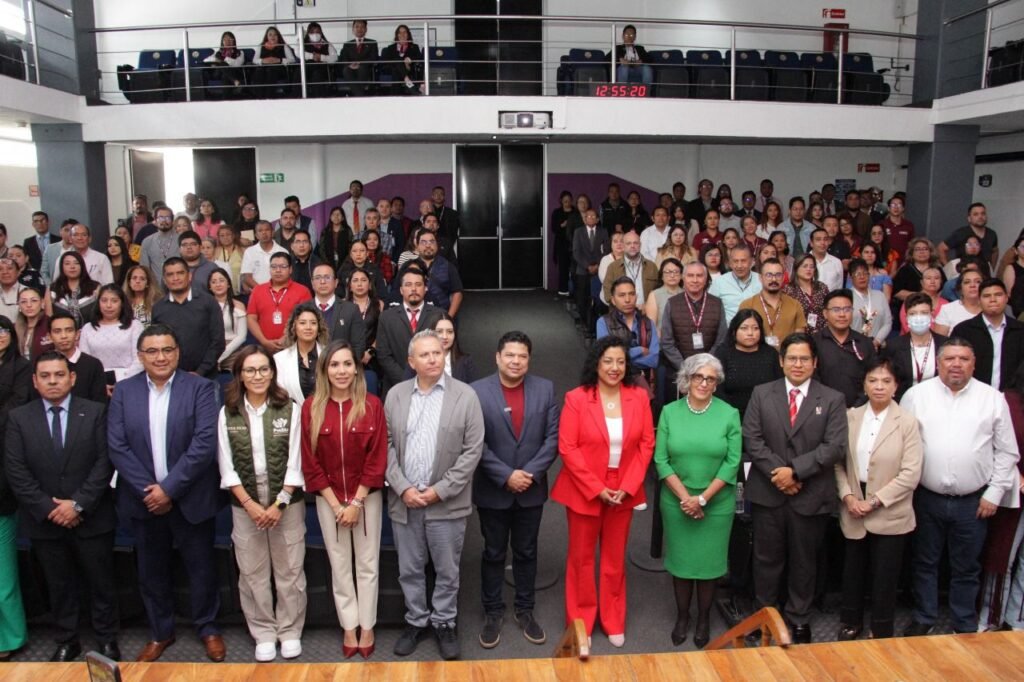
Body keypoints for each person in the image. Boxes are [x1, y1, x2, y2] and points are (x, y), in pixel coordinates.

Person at [107, 324, 226, 662]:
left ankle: (207, 627)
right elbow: (117, 446)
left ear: (177, 352)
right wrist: (152, 491)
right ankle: (161, 632)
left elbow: (204, 444)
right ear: (140, 356)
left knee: (201, 567)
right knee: (151, 570)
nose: (161, 357)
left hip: (190, 497)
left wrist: (169, 489)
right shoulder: (125, 391)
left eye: (167, 350)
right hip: (143, 499)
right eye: (153, 351)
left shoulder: (201, 388)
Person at [900, 338, 1020, 635]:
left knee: (967, 567)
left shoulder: (992, 398)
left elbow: (1007, 452)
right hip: (926, 497)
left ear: (974, 363)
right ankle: (924, 617)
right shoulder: (916, 396)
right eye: (950, 358)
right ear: (938, 363)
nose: (956, 364)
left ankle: (963, 623)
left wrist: (994, 493)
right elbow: (899, 442)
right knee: (924, 562)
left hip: (974, 502)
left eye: (963, 358)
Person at [6, 350, 120, 661]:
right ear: (35, 381)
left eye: (59, 375)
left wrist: (78, 504)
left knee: (101, 583)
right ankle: (67, 639)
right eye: (45, 376)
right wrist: (49, 508)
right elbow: (16, 469)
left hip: (92, 516)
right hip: (45, 520)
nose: (53, 381)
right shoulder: (19, 418)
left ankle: (107, 639)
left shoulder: (96, 411)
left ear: (72, 378)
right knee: (59, 584)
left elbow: (105, 462)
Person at [743, 332, 848, 643]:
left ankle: (799, 618)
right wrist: (780, 475)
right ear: (781, 361)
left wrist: (796, 472)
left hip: (810, 494)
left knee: (804, 562)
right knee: (766, 560)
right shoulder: (762, 393)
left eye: (804, 359)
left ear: (815, 363)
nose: (798, 364)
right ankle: (765, 615)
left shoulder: (832, 399)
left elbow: (835, 447)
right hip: (768, 492)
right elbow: (752, 438)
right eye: (792, 358)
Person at [386, 330, 485, 660]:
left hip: (447, 503)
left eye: (438, 353)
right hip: (406, 501)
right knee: (410, 569)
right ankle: (416, 620)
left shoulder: (465, 396)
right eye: (424, 355)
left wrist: (439, 491)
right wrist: (404, 488)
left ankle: (444, 622)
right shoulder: (396, 395)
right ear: (411, 362)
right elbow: (384, 448)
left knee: (447, 570)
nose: (433, 359)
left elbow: (472, 451)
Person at [551, 336, 655, 647]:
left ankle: (613, 619)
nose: (614, 367)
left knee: (614, 559)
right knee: (581, 559)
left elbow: (646, 444)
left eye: (620, 362)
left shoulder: (639, 397)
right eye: (608, 361)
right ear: (596, 363)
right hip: (585, 488)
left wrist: (627, 486)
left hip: (624, 489)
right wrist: (597, 488)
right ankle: (580, 623)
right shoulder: (577, 398)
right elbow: (567, 447)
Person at [217, 346, 306, 662]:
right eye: (250, 370)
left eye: (263, 369)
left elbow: (297, 461)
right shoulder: (228, 412)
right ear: (240, 375)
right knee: (252, 572)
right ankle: (264, 633)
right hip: (245, 507)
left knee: (290, 570)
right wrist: (250, 504)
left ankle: (290, 631)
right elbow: (226, 465)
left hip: (287, 503)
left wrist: (279, 503)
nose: (257, 376)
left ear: (272, 372)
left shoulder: (290, 409)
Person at [471, 331, 558, 649]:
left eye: (522, 356)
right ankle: (492, 612)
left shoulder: (545, 389)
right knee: (493, 552)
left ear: (529, 359)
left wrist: (530, 474)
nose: (516, 361)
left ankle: (525, 610)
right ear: (497, 357)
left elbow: (552, 439)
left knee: (527, 552)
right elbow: (475, 443)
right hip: (493, 489)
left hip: (531, 490)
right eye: (510, 355)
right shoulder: (477, 392)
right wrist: (506, 475)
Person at [301, 340, 386, 658]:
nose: (341, 370)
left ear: (356, 368)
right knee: (339, 566)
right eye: (334, 364)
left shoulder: (372, 404)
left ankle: (367, 626)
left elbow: (377, 459)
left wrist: (358, 502)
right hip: (329, 501)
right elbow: (310, 462)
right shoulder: (312, 406)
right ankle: (348, 626)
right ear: (324, 369)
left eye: (347, 364)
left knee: (367, 565)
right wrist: (337, 505)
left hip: (366, 499)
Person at [834, 357, 923, 640]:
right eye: (873, 380)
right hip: (853, 506)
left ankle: (881, 628)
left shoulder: (907, 422)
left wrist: (874, 502)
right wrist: (848, 497)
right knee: (852, 573)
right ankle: (851, 622)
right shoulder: (850, 417)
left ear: (896, 387)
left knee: (885, 576)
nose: (879, 386)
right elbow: (837, 464)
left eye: (886, 381)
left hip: (889, 510)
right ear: (864, 384)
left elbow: (910, 473)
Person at [655, 353, 740, 648]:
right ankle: (682, 616)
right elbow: (661, 460)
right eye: (698, 377)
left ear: (716, 384)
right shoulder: (669, 412)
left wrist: (702, 499)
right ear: (687, 379)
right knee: (681, 563)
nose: (704, 383)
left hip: (716, 504)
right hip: (677, 502)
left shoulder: (729, 414)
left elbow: (732, 463)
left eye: (710, 379)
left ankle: (703, 618)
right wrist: (686, 498)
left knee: (708, 565)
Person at [0, 315, 28, 660]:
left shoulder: (21, 368)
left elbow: (15, 410)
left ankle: (8, 638)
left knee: (2, 574)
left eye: (2, 331)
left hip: (3, 474)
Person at [151, 258, 225, 379]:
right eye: (170, 274)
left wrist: (200, 371)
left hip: (206, 378)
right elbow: (157, 345)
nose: (175, 278)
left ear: (189, 276)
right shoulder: (158, 308)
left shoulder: (208, 302)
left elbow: (218, 342)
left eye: (180, 273)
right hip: (170, 378)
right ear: (164, 280)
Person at [376, 268, 443, 394]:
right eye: (408, 285)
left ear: (425, 288)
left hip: (433, 386)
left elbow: (444, 351)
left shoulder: (439, 315)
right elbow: (383, 355)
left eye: (418, 285)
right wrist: (406, 380)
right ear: (401, 290)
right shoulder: (386, 317)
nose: (413, 289)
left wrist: (424, 379)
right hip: (395, 387)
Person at [951, 278, 1024, 390]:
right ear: (979, 300)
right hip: (972, 396)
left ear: (1006, 298)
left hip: (1012, 398)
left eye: (998, 295)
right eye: (987, 296)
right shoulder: (963, 330)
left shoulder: (1020, 330)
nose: (993, 299)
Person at [713, 309, 782, 419]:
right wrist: (731, 415)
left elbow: (779, 387)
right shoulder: (723, 353)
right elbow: (717, 389)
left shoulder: (771, 353)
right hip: (730, 416)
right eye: (744, 328)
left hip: (767, 416)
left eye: (755, 328)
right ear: (734, 331)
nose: (750, 333)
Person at [813, 289, 876, 407]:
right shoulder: (814, 342)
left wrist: (857, 406)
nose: (842, 314)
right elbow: (811, 379)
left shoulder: (865, 343)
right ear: (825, 313)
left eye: (847, 309)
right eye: (836, 310)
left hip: (859, 410)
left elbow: (872, 377)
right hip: (822, 409)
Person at [661, 261, 727, 372]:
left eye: (699, 276)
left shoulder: (717, 303)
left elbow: (721, 340)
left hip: (711, 369)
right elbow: (667, 342)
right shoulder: (672, 303)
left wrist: (706, 365)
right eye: (690, 276)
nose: (695, 280)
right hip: (680, 371)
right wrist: (685, 368)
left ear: (706, 278)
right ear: (683, 278)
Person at [79, 284, 144, 395]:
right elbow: (85, 363)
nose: (108, 305)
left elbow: (140, 359)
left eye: (114, 301)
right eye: (104, 301)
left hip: (130, 383)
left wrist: (121, 382)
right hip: (97, 385)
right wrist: (100, 384)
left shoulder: (135, 326)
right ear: (98, 303)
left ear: (122, 303)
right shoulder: (88, 328)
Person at [247, 253, 313, 353]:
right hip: (264, 348)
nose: (278, 270)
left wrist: (286, 338)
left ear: (290, 269)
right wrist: (264, 341)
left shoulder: (303, 291)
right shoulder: (258, 290)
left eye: (283, 266)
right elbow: (251, 318)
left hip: (294, 347)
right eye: (274, 267)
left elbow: (306, 320)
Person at [737, 258, 806, 349]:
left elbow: (799, 340)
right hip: (756, 358)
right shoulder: (747, 305)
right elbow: (742, 339)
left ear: (783, 277)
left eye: (778, 275)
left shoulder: (795, 305)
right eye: (769, 275)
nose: (774, 279)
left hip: (786, 360)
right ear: (761, 278)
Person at [43, 311, 106, 403]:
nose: (63, 336)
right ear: (49, 337)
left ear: (77, 334)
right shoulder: (42, 364)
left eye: (69, 330)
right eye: (57, 331)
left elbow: (99, 404)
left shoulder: (93, 365)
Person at [275, 302, 327, 405]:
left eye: (313, 323)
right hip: (294, 417)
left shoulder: (330, 355)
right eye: (302, 323)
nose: (308, 327)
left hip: (326, 415)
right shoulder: (279, 359)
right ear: (294, 326)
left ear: (319, 328)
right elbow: (278, 394)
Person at [572, 208, 610, 338]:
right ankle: (585, 323)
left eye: (594, 216)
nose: (591, 218)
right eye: (588, 216)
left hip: (599, 269)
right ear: (584, 219)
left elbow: (606, 250)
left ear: (598, 219)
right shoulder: (578, 232)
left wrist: (598, 265)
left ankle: (595, 325)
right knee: (582, 298)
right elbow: (576, 252)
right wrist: (587, 266)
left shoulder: (603, 231)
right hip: (583, 269)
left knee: (597, 298)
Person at [208, 268, 247, 380]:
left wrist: (220, 357)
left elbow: (241, 337)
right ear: (209, 286)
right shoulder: (205, 306)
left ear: (228, 283)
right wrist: (213, 357)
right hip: (212, 350)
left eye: (221, 280)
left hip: (234, 350)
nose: (218, 284)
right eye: (213, 282)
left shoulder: (238, 305)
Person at [602, 231, 658, 308]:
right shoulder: (613, 267)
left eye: (635, 243)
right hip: (621, 314)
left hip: (647, 312)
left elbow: (658, 291)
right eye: (628, 243)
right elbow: (608, 294)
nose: (632, 246)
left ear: (640, 245)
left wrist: (648, 306)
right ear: (623, 246)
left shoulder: (652, 266)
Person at [709, 243, 761, 324]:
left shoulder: (761, 280)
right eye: (735, 261)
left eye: (743, 261)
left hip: (756, 331)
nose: (739, 265)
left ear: (751, 262)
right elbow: (710, 310)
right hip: (728, 333)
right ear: (730, 263)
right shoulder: (719, 282)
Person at [416, 229, 463, 318]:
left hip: (441, 315)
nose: (428, 245)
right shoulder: (409, 266)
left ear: (437, 245)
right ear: (417, 246)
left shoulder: (448, 266)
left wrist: (448, 318)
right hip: (416, 317)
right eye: (423, 242)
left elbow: (457, 294)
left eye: (432, 242)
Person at [939, 202, 999, 269]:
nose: (980, 217)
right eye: (976, 214)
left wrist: (992, 268)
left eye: (983, 213)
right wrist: (950, 269)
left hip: (984, 273)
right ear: (969, 218)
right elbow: (941, 248)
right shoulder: (960, 233)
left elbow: (995, 251)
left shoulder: (992, 234)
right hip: (964, 272)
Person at [848, 259, 893, 349]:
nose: (862, 277)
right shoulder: (846, 297)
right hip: (853, 347)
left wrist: (877, 341)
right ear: (850, 277)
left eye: (865, 273)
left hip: (877, 347)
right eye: (858, 274)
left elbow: (887, 322)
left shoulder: (880, 295)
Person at [46, 251, 99, 327]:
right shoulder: (52, 289)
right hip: (61, 335)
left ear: (82, 266)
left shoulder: (95, 287)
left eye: (76, 263)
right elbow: (49, 317)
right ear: (62, 267)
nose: (72, 266)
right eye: (67, 263)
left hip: (90, 334)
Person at [241, 221, 289, 294]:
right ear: (256, 235)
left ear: (273, 232)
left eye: (267, 230)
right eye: (260, 230)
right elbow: (247, 277)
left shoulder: (283, 251)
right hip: (257, 294)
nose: (264, 233)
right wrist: (264, 292)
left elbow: (286, 276)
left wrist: (274, 292)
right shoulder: (249, 252)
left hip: (279, 293)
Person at [933, 268, 984, 336]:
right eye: (967, 282)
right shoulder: (948, 310)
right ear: (960, 288)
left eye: (978, 282)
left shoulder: (991, 308)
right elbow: (939, 342)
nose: (972, 285)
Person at [785, 254, 828, 333]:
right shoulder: (788, 290)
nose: (809, 269)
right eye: (805, 266)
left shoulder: (822, 287)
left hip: (822, 333)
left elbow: (828, 310)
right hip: (799, 334)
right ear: (796, 268)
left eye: (812, 267)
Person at [138, 207, 179, 286]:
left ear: (172, 221)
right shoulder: (147, 241)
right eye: (160, 217)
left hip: (177, 283)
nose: (164, 220)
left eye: (167, 217)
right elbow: (144, 268)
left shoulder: (181, 240)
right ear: (155, 221)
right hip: (155, 287)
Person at [253, 26, 297, 98]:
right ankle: (259, 98)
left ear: (278, 36)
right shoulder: (261, 46)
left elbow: (292, 59)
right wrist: (262, 60)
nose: (273, 36)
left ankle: (268, 98)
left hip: (278, 70)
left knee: (271, 70)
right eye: (270, 35)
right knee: (259, 71)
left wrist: (279, 60)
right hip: (264, 69)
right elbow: (254, 60)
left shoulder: (283, 46)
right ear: (266, 37)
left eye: (275, 34)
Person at [338, 20, 378, 96]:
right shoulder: (347, 44)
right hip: (350, 70)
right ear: (353, 29)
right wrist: (350, 64)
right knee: (346, 70)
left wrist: (360, 63)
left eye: (362, 27)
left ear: (366, 29)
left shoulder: (372, 43)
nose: (359, 29)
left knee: (362, 69)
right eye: (357, 27)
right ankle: (360, 96)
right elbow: (343, 59)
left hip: (365, 70)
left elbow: (374, 58)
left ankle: (358, 97)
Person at [15, 286, 53, 362]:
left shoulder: (51, 324)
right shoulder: (14, 328)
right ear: (18, 305)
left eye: (34, 300)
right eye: (23, 302)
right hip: (20, 372)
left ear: (42, 303)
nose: (29, 305)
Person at [301, 21, 338, 99]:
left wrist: (321, 57)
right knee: (298, 73)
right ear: (308, 33)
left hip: (322, 70)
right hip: (307, 69)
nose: (315, 34)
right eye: (312, 32)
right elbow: (298, 53)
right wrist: (312, 56)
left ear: (321, 33)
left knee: (317, 74)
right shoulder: (303, 44)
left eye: (317, 32)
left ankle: (318, 101)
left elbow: (334, 58)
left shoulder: (327, 44)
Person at [645, 258, 683, 329]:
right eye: (668, 272)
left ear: (681, 275)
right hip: (662, 338)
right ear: (661, 276)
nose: (672, 275)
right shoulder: (655, 295)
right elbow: (652, 326)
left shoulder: (686, 293)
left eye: (676, 272)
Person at [177, 231, 217, 297]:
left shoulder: (212, 268)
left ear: (200, 247)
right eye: (184, 245)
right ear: (179, 249)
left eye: (193, 244)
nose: (189, 247)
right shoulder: (172, 269)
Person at [318, 206, 355, 272]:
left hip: (345, 264)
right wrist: (327, 263)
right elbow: (321, 248)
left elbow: (351, 247)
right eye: (333, 214)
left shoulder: (347, 230)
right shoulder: (325, 231)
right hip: (328, 263)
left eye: (338, 214)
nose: (336, 216)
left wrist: (345, 263)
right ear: (330, 217)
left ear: (343, 217)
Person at [213, 224, 243, 292]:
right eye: (222, 235)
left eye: (228, 234)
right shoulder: (215, 251)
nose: (225, 237)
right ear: (218, 238)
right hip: (221, 289)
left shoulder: (242, 250)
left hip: (239, 289)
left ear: (233, 236)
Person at [0, 257, 25, 322]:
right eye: (0, 269)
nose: (5, 272)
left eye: (9, 268)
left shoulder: (28, 292)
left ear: (18, 272)